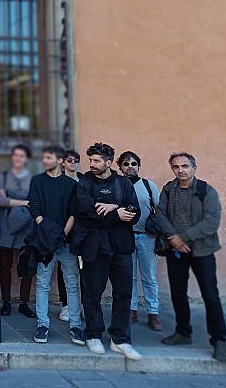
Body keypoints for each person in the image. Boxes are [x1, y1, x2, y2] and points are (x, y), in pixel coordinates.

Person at [71, 142, 141, 361]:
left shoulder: (123, 183)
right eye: (90, 160)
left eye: (96, 161)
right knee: (92, 293)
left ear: (109, 163)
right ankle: (93, 334)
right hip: (94, 248)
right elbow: (86, 213)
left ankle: (120, 339)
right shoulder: (84, 183)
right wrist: (116, 213)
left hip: (121, 247)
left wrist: (116, 208)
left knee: (124, 294)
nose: (92, 164)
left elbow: (135, 212)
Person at [154, 152, 226, 362]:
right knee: (178, 292)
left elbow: (211, 222)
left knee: (210, 295)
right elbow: (160, 214)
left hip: (202, 251)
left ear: (194, 168)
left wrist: (182, 238)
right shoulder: (169, 190)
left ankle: (219, 340)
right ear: (172, 169)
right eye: (176, 167)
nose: (181, 170)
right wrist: (174, 239)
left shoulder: (206, 191)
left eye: (185, 166)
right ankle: (183, 332)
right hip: (176, 251)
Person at [28, 144, 84, 347]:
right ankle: (42, 324)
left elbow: (73, 213)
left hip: (66, 243)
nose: (45, 161)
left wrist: (61, 235)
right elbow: (35, 209)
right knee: (43, 284)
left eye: (49, 157)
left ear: (60, 160)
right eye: (44, 157)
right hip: (44, 244)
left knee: (72, 284)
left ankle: (75, 325)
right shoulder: (37, 181)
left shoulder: (71, 185)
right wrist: (49, 235)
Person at [117, 150, 162, 331]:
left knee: (149, 277)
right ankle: (132, 310)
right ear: (120, 167)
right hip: (124, 237)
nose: (130, 167)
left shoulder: (148, 185)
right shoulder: (117, 185)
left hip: (146, 237)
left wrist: (158, 230)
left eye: (133, 163)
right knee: (129, 276)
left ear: (138, 166)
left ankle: (153, 313)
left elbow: (160, 210)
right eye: (126, 164)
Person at [0, 144, 35, 318]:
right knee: (5, 266)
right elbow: (1, 200)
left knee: (26, 266)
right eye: (15, 155)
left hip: (26, 225)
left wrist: (12, 201)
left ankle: (24, 303)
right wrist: (24, 203)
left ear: (26, 159)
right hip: (6, 224)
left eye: (21, 156)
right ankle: (6, 302)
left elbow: (35, 201)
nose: (18, 158)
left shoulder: (33, 179)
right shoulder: (3, 176)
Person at [57, 148, 83, 321]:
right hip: (64, 229)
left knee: (84, 269)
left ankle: (83, 304)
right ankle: (66, 304)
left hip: (82, 230)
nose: (73, 163)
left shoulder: (84, 180)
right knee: (63, 269)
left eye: (76, 160)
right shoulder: (57, 181)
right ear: (63, 162)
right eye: (70, 160)